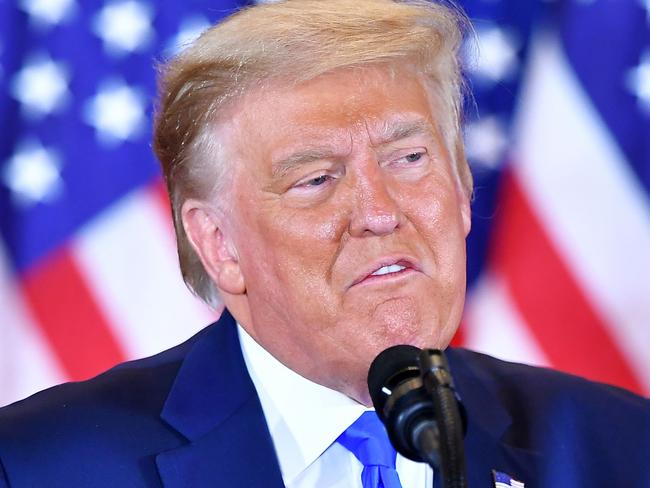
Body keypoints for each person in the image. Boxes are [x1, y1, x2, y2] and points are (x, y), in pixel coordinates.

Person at [0, 0, 648, 487]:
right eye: (315, 178)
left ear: (461, 190)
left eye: (409, 157)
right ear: (218, 243)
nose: (379, 212)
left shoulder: (618, 448)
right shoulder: (41, 466)